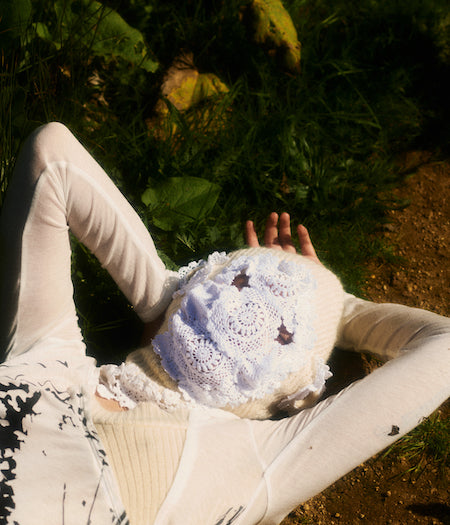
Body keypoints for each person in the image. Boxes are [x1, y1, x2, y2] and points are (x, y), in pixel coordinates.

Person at [0, 122, 448, 525]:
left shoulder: (44, 357)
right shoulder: (254, 464)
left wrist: (161, 298)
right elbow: (443, 344)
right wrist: (339, 306)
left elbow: (52, 154)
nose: (245, 313)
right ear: (293, 400)